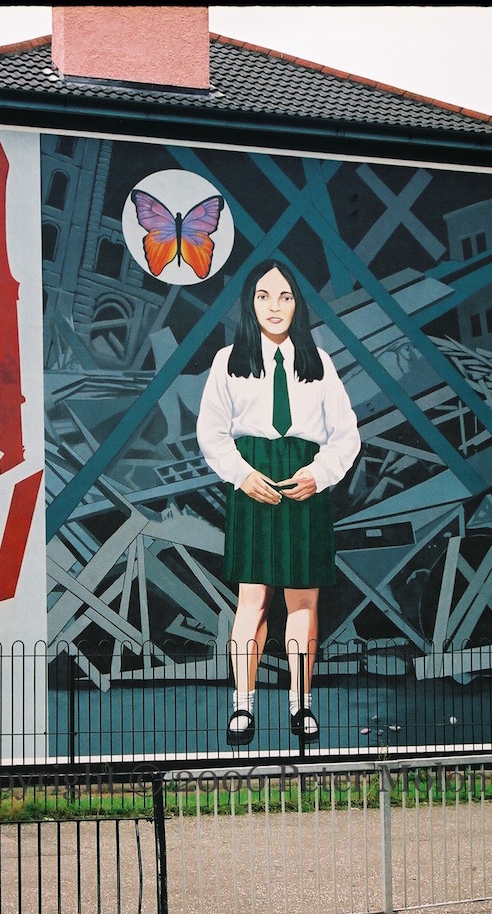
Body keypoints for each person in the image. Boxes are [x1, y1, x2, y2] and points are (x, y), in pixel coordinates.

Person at [196, 259, 361, 746]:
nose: (275, 306)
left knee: (304, 601)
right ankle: (242, 707)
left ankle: (300, 705)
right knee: (253, 599)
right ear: (250, 303)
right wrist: (243, 476)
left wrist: (318, 475)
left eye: (285, 296)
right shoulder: (228, 360)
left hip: (304, 483)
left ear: (297, 304)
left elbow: (346, 435)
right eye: (264, 296)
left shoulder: (319, 362)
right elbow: (211, 432)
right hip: (254, 480)